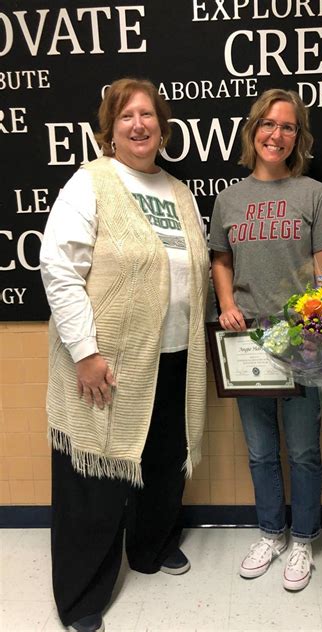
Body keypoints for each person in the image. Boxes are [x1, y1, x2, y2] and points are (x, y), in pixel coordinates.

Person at [40, 77, 209, 632]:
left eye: (149, 116)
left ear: (163, 127)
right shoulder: (90, 184)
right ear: (108, 131)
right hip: (107, 361)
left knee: (161, 462)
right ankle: (82, 597)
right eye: (126, 116)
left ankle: (151, 548)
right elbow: (59, 269)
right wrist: (85, 352)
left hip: (172, 355)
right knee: (95, 475)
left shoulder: (179, 191)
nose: (140, 125)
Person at [209, 89, 322, 592]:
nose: (276, 134)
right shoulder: (229, 199)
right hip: (245, 343)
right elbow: (221, 260)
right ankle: (271, 532)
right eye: (268, 124)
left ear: (297, 137)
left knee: (304, 450)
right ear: (253, 131)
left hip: (301, 343)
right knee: (261, 451)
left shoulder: (314, 194)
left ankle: (303, 538)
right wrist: (225, 304)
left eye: (287, 126)